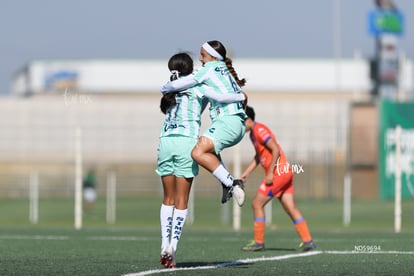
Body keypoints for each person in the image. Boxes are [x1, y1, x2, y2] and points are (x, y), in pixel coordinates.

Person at [157, 52, 246, 269]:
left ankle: (163, 245)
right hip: (186, 143)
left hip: (165, 143)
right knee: (181, 201)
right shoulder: (198, 85)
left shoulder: (170, 88)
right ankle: (173, 249)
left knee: (167, 199)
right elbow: (221, 93)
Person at [161, 40, 248, 207]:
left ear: (213, 57)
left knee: (197, 153)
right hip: (235, 124)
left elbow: (187, 82)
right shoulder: (223, 71)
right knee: (208, 150)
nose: (200, 59)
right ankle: (226, 183)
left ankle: (232, 183)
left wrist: (166, 87)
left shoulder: (209, 68)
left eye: (203, 55)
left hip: (228, 122)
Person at [240, 106, 316, 252]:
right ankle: (308, 241)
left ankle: (258, 241)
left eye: (242, 121)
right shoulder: (253, 135)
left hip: (278, 174)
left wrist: (270, 173)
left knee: (257, 204)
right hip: (285, 172)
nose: (241, 126)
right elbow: (259, 156)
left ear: (249, 120)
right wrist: (247, 172)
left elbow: (275, 149)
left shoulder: (259, 130)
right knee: (290, 207)